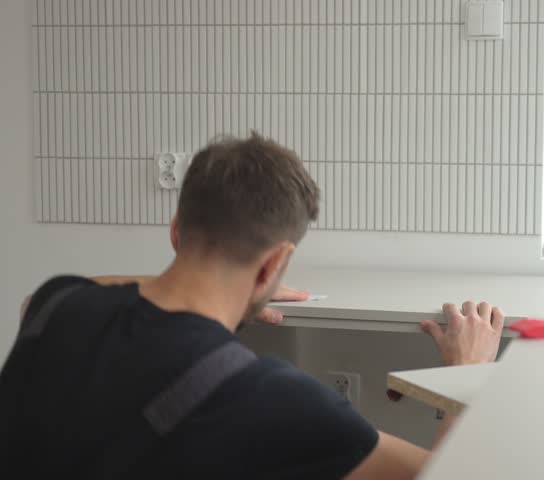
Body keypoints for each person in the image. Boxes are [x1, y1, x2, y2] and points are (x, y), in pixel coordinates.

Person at [0, 132, 504, 479]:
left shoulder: (55, 309)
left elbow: (70, 288)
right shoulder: (277, 402)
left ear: (176, 230)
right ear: (273, 265)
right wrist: (464, 379)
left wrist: (200, 284)